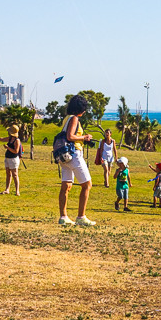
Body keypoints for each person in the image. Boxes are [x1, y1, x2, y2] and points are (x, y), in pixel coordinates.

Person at [57, 94, 96, 227]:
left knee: (66, 186)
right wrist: (84, 137)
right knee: (87, 184)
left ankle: (63, 217)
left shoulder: (67, 118)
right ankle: (81, 217)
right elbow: (70, 136)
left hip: (64, 156)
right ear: (81, 109)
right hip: (74, 154)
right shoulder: (74, 119)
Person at [0, 125, 23, 195]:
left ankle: (17, 191)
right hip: (7, 158)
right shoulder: (10, 138)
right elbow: (2, 139)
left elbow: (16, 151)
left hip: (13, 159)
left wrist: (8, 148)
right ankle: (7, 189)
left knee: (15, 175)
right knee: (8, 174)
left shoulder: (17, 140)